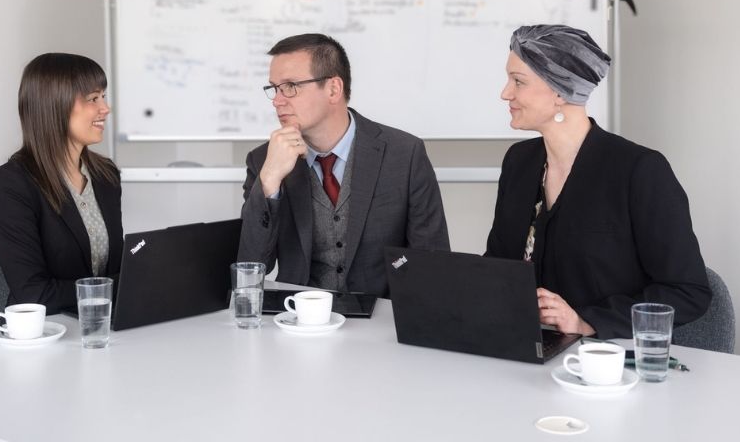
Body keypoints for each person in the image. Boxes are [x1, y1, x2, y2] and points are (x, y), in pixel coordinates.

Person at [486, 24, 711, 339]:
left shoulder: (639, 170)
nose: (505, 93)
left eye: (518, 81)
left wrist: (586, 321)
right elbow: (498, 266)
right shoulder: (519, 162)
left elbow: (687, 291)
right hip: (525, 346)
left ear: (560, 91)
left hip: (606, 357)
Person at [238, 33, 450, 297]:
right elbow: (250, 267)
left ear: (333, 89)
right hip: (297, 315)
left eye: (290, 86)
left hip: (383, 315)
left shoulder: (404, 154)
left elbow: (432, 261)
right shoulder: (264, 161)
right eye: (274, 88)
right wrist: (269, 182)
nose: (277, 101)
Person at [0, 53, 124, 314]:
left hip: (102, 325)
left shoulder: (106, 175)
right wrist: (115, 287)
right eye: (93, 99)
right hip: (45, 330)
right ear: (55, 106)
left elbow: (115, 268)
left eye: (103, 96)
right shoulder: (11, 184)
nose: (105, 108)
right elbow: (33, 293)